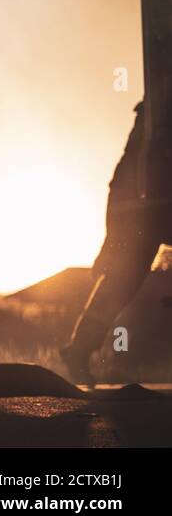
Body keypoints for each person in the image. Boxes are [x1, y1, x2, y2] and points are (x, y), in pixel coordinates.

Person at [61, 100, 172, 384]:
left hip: (148, 207)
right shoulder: (153, 117)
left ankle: (79, 350)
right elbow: (121, 179)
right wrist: (111, 240)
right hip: (146, 210)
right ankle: (79, 350)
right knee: (121, 282)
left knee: (121, 281)